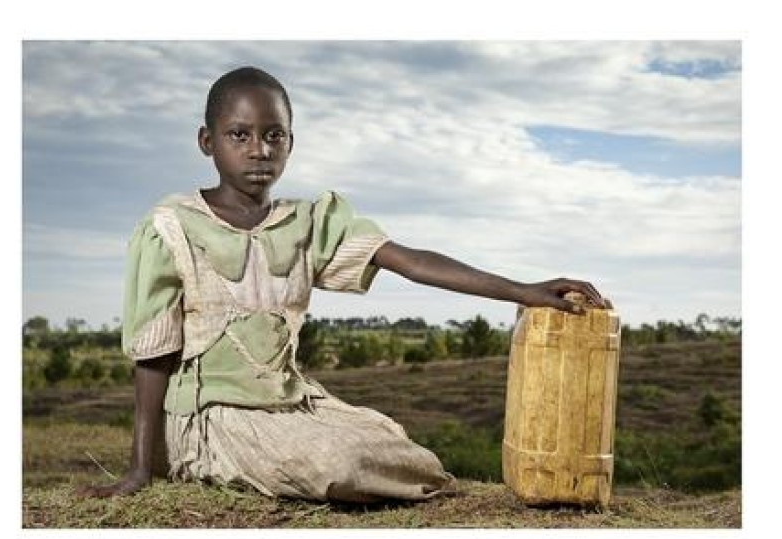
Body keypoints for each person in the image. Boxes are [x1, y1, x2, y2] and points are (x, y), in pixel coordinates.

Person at [77, 66, 608, 503]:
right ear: (207, 141)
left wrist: (524, 290)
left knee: (404, 451)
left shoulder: (310, 222)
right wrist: (139, 470)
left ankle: (321, 452)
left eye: (273, 136)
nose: (259, 150)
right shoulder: (170, 227)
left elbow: (411, 261)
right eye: (240, 135)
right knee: (345, 464)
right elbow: (152, 357)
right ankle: (205, 460)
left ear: (290, 143)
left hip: (289, 402)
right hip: (211, 417)